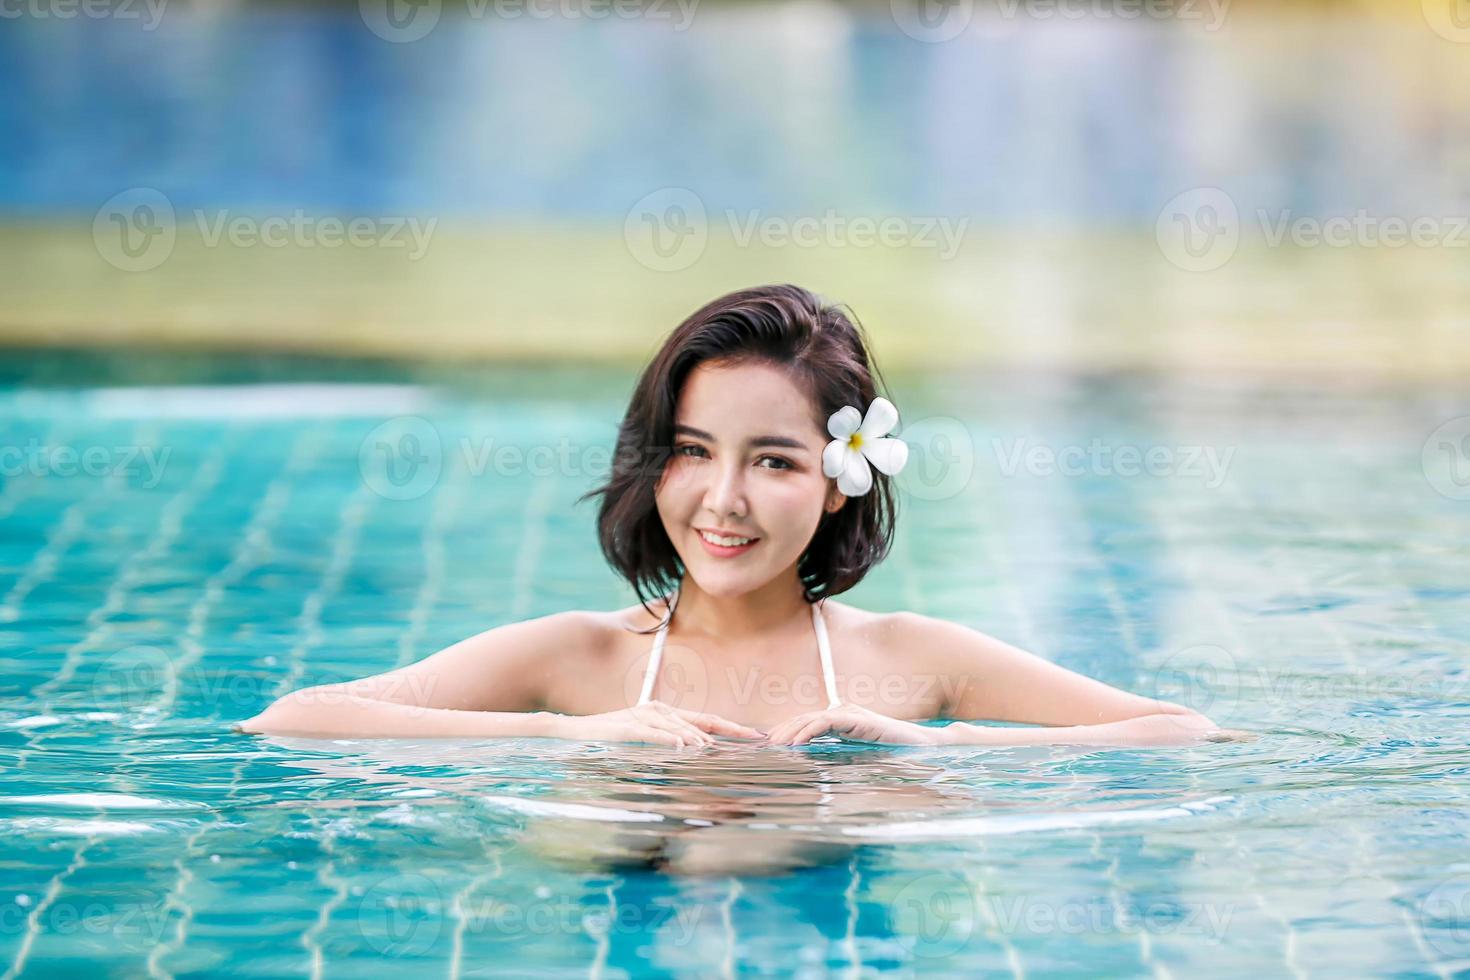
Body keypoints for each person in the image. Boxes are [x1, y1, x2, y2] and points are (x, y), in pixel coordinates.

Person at [236, 284, 1235, 748]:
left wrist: (927, 744)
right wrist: (564, 740)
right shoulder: (581, 661)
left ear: (840, 477)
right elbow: (296, 718)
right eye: (693, 450)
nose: (724, 498)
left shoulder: (912, 659)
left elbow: (1183, 731)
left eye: (774, 460)